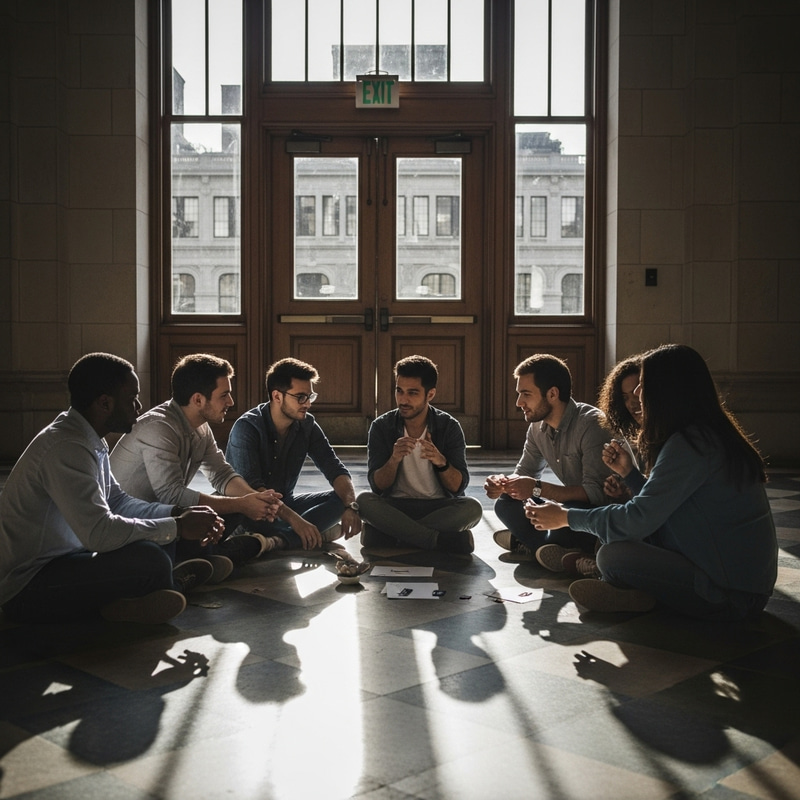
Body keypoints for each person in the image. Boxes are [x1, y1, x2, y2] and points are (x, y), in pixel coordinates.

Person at [525, 344, 778, 619]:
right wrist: (631, 475)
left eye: (642, 384)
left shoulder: (691, 445)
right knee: (615, 543)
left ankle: (641, 595)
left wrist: (565, 517)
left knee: (613, 556)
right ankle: (632, 592)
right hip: (730, 576)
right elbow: (666, 506)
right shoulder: (700, 435)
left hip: (733, 594)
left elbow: (639, 517)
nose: (636, 394)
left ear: (668, 389)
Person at [0, 352, 225, 626]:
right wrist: (177, 526)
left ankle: (143, 592)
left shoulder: (90, 440)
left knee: (158, 539)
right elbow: (99, 534)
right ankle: (153, 587)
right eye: (132, 398)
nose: (139, 406)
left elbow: (117, 502)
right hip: (28, 583)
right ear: (105, 403)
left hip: (70, 557)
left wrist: (178, 513)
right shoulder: (66, 447)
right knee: (150, 558)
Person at [110, 353, 282, 579]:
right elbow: (170, 496)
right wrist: (242, 504)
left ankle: (202, 557)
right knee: (230, 508)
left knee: (231, 503)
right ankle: (236, 549)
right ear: (198, 400)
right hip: (137, 526)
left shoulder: (201, 426)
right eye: (224, 395)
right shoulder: (159, 428)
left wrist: (253, 500)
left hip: (173, 519)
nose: (230, 402)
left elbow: (221, 474)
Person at [484, 353, 612, 571]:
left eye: (526, 394)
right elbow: (525, 472)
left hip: (599, 512)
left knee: (565, 519)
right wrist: (504, 484)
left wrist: (536, 489)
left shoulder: (592, 424)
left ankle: (530, 543)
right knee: (506, 503)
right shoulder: (537, 427)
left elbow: (597, 494)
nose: (519, 403)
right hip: (571, 507)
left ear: (552, 393)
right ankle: (552, 548)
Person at [225, 357, 360, 551]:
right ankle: (308, 533)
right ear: (277, 396)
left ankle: (277, 541)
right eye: (301, 397)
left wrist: (350, 506)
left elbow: (334, 467)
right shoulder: (247, 428)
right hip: (252, 511)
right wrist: (297, 521)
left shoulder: (307, 424)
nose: (307, 404)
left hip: (285, 506)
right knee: (267, 517)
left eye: (310, 397)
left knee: (343, 498)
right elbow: (254, 491)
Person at [356, 355, 482, 554]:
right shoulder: (382, 427)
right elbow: (377, 487)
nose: (403, 400)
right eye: (399, 391)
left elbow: (458, 487)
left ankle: (393, 535)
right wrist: (394, 459)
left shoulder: (448, 426)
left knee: (473, 508)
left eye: (412, 393)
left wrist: (441, 462)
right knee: (363, 501)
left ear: (430, 394)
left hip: (437, 507)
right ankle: (434, 540)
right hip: (396, 506)